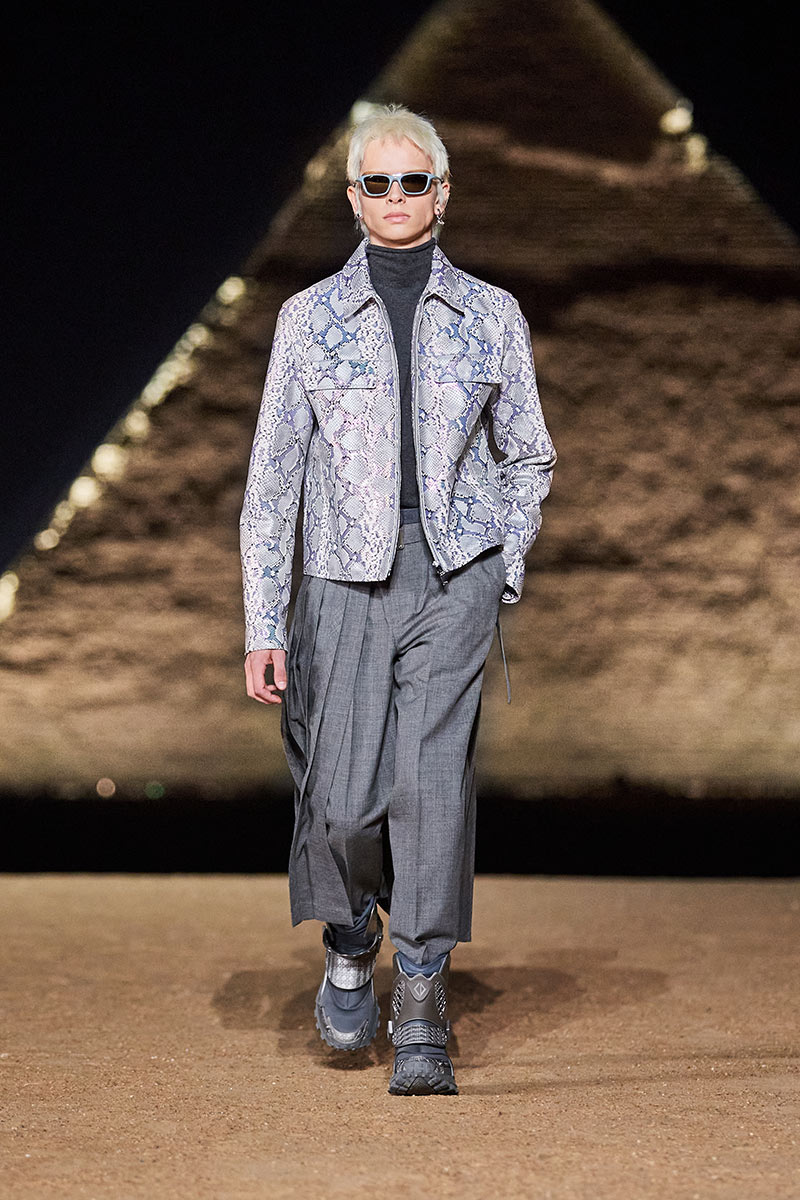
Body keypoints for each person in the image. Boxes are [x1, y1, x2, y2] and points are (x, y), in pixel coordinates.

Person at [240, 104, 556, 1096]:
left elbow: (529, 454)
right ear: (351, 196)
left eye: (411, 180)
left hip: (454, 574)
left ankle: (420, 994)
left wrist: (502, 561)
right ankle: (349, 937)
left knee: (429, 788)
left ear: (441, 192)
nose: (393, 197)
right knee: (338, 804)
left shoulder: (491, 314)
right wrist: (262, 620)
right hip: (341, 577)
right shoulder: (308, 320)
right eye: (375, 182)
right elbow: (273, 479)